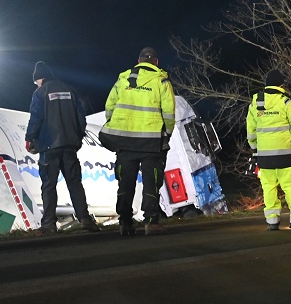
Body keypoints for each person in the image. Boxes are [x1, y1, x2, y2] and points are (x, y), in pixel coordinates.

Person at [100, 47, 177, 236]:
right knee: (152, 183)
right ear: (156, 62)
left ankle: (125, 223)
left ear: (139, 61)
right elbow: (169, 112)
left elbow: (109, 106)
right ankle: (151, 222)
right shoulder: (161, 81)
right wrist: (166, 134)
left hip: (125, 142)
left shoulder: (123, 79)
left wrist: (116, 127)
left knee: (125, 183)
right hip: (151, 142)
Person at [25, 61, 100, 234]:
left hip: (49, 146)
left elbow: (36, 117)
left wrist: (29, 138)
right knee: (75, 184)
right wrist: (77, 137)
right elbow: (81, 117)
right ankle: (85, 220)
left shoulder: (40, 93)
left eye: (36, 81)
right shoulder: (70, 90)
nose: (36, 84)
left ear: (40, 78)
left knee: (49, 186)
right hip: (69, 146)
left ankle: (49, 225)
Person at [246, 69, 291, 231]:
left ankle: (272, 221)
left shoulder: (256, 103)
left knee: (269, 188)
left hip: (264, 157)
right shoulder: (287, 103)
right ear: (281, 85)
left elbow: (251, 131)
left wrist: (255, 150)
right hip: (285, 156)